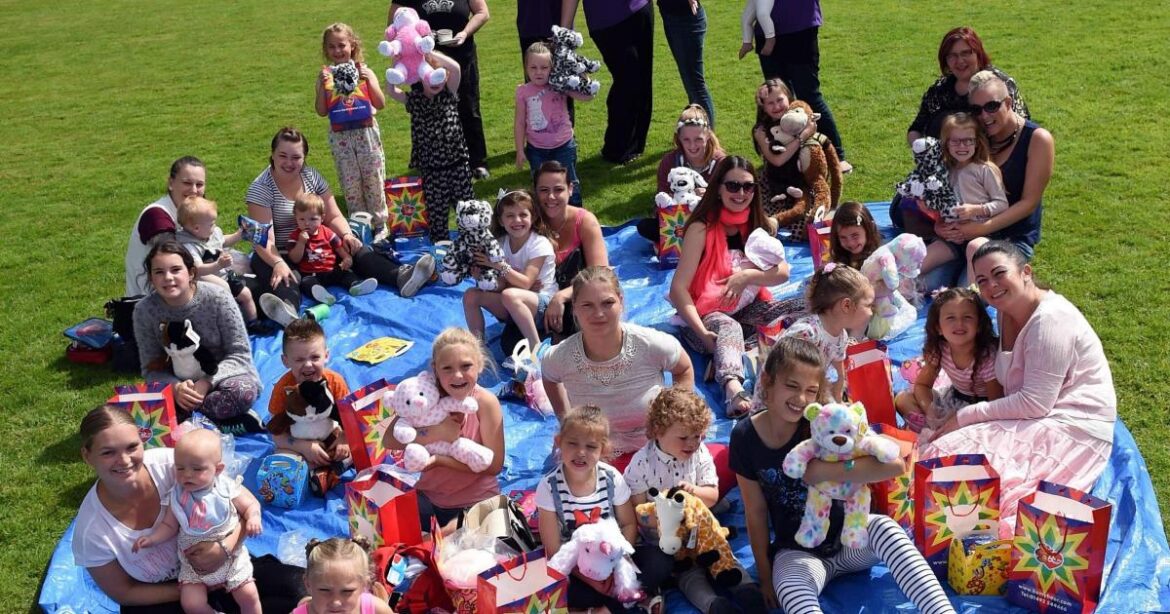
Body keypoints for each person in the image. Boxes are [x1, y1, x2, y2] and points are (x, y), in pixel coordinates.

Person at [731, 337, 956, 613]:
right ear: (767, 380)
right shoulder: (744, 437)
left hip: (851, 539)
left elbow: (895, 465)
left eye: (810, 391)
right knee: (792, 592)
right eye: (791, 386)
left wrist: (826, 471)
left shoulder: (824, 422)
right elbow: (755, 512)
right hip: (799, 551)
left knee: (887, 529)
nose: (800, 399)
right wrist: (765, 578)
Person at [922, 242, 1117, 538]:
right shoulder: (1005, 310)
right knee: (941, 460)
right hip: (1029, 413)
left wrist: (965, 417)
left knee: (985, 483)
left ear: (1026, 272)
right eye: (982, 280)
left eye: (1000, 274)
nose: (991, 286)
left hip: (1070, 426)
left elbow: (1035, 403)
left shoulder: (1051, 322)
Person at [73, 405, 303, 613]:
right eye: (108, 452)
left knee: (296, 588)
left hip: (224, 557)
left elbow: (243, 506)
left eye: (131, 447)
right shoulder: (91, 531)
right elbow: (124, 592)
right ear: (87, 456)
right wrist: (193, 587)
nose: (124, 460)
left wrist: (225, 548)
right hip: (166, 594)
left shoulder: (176, 465)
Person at [245, 127, 435, 326]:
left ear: (304, 158)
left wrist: (346, 235)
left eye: (296, 157)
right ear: (272, 155)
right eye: (283, 155)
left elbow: (333, 215)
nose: (289, 163)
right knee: (285, 277)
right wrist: (277, 263)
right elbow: (264, 239)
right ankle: (287, 310)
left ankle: (402, 277)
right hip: (281, 251)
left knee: (355, 249)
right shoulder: (261, 188)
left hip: (319, 245)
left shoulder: (311, 177)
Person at [668, 156, 804, 418]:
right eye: (732, 186)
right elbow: (678, 290)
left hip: (747, 308)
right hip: (706, 316)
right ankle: (732, 385)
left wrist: (747, 277)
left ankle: (741, 353)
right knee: (728, 327)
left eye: (748, 186)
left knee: (802, 306)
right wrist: (704, 335)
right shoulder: (701, 228)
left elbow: (783, 271)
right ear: (717, 187)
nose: (741, 193)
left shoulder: (756, 225)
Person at [625, 388, 763, 614]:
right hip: (668, 540)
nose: (692, 443)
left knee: (722, 552)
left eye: (697, 436)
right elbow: (639, 514)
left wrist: (694, 492)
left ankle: (745, 587)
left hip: (701, 528)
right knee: (688, 573)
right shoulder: (641, 464)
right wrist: (665, 513)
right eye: (683, 437)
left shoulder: (699, 454)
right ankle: (713, 604)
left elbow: (712, 495)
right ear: (658, 432)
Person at [543, 266, 695, 462]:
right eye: (587, 305)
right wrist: (567, 421)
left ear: (621, 302)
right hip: (594, 451)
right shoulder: (561, 356)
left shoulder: (650, 343)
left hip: (654, 447)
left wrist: (674, 418)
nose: (598, 313)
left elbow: (683, 368)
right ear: (575, 308)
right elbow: (548, 376)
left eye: (607, 303)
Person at [922, 70, 1053, 290]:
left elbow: (1028, 203)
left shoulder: (1037, 139)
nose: (984, 115)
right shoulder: (973, 137)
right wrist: (941, 223)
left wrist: (979, 229)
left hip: (1011, 237)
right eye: (976, 110)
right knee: (926, 284)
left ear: (1009, 102)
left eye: (992, 106)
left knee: (971, 293)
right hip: (961, 234)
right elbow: (948, 188)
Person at [133, 242, 263, 433]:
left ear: (191, 273)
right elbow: (151, 367)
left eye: (176, 269)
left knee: (243, 392)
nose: (168, 278)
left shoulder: (219, 298)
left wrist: (207, 382)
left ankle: (188, 421)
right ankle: (222, 424)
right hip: (179, 385)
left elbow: (240, 354)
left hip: (223, 378)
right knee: (140, 410)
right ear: (151, 279)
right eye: (159, 272)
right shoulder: (144, 311)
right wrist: (176, 388)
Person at [383, 328, 505, 530]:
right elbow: (389, 440)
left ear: (480, 365)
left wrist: (441, 461)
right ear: (435, 369)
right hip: (429, 499)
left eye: (466, 366)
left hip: (477, 503)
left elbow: (494, 466)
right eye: (447, 368)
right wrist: (437, 432)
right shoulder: (425, 396)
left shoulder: (486, 403)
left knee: (463, 555)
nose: (457, 375)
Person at [132, 429, 263, 614]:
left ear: (217, 469)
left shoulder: (225, 487)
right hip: (193, 562)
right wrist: (152, 539)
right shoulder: (176, 495)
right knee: (191, 604)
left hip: (231, 557)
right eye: (180, 468)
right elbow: (169, 525)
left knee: (249, 595)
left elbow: (250, 505)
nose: (187, 475)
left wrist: (254, 517)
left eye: (197, 469)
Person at [536, 405, 638, 612]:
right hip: (575, 566)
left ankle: (607, 607)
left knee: (657, 563)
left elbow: (628, 523)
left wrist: (614, 564)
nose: (580, 453)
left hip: (612, 558)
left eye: (591, 447)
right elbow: (554, 548)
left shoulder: (611, 478)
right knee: (561, 590)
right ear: (559, 443)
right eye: (572, 443)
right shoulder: (549, 487)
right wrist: (589, 577)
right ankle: (621, 604)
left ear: (604, 450)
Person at [500, 161, 608, 352]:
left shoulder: (584, 222)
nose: (551, 197)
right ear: (535, 192)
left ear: (570, 189)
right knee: (511, 346)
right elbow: (503, 259)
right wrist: (520, 284)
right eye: (543, 190)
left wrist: (561, 297)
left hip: (579, 297)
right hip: (536, 301)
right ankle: (544, 343)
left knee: (581, 343)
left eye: (558, 189)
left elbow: (600, 275)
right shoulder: (525, 220)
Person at [390, 0, 491, 179]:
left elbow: (482, 12)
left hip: (462, 55)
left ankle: (477, 162)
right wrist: (416, 48)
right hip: (423, 62)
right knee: (428, 114)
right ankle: (433, 165)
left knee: (468, 107)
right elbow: (394, 23)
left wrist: (464, 33)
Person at [749, 0, 852, 172]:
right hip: (766, 32)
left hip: (800, 26)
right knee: (776, 98)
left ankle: (837, 155)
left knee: (809, 95)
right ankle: (784, 156)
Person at [386, 50, 475, 244]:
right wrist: (399, 63)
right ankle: (441, 252)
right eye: (430, 76)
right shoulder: (415, 100)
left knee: (468, 214)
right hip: (432, 170)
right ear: (420, 77)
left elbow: (456, 68)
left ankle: (473, 248)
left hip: (458, 165)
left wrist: (425, 53)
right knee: (437, 218)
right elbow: (391, 90)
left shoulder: (449, 93)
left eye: (440, 76)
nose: (436, 81)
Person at [315, 23, 389, 237]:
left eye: (342, 45)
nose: (337, 51)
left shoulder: (364, 71)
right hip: (340, 136)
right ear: (326, 50)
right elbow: (321, 110)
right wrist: (322, 86)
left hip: (366, 133)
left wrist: (368, 80)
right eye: (332, 47)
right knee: (350, 181)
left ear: (352, 45)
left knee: (373, 178)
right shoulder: (325, 75)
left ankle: (380, 224)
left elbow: (381, 103)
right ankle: (359, 224)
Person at [895, 286, 1001, 434]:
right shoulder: (940, 349)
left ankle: (941, 433)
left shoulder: (987, 356)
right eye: (951, 317)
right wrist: (932, 412)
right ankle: (935, 428)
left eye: (967, 317)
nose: (959, 323)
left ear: (979, 325)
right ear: (938, 327)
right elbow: (922, 385)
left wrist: (959, 419)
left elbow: (996, 406)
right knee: (902, 399)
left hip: (979, 410)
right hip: (953, 399)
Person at [561, 0, 654, 165]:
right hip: (606, 20)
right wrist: (564, 31)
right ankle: (616, 148)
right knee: (628, 80)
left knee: (642, 78)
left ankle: (635, 146)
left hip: (640, 8)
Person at [462, 190, 556, 353]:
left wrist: (498, 265)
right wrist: (482, 278)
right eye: (510, 215)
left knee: (510, 295)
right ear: (500, 220)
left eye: (523, 215)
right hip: (513, 303)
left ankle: (537, 350)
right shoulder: (499, 244)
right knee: (471, 294)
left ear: (532, 217)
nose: (517, 220)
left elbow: (526, 283)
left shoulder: (539, 244)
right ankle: (478, 349)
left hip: (544, 305)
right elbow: (501, 286)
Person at [906, 26, 1029, 146]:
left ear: (978, 54)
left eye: (966, 53)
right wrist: (924, 152)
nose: (960, 61)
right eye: (952, 55)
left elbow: (1021, 130)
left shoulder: (1000, 85)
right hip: (942, 162)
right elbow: (916, 129)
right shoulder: (939, 89)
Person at [919, 112, 1007, 277]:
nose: (962, 146)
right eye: (956, 141)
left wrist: (976, 209)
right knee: (920, 263)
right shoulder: (943, 172)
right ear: (946, 143)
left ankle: (972, 294)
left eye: (968, 140)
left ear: (976, 142)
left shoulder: (985, 169)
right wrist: (936, 222)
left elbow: (1002, 204)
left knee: (974, 249)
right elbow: (941, 207)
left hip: (983, 235)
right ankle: (897, 290)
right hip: (953, 237)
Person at [514, 42, 594, 205]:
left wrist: (581, 71)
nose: (538, 72)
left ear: (552, 68)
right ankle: (544, 221)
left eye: (544, 67)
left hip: (563, 146)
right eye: (533, 67)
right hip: (536, 149)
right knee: (541, 186)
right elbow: (520, 122)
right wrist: (520, 150)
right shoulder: (523, 91)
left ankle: (576, 217)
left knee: (569, 183)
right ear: (526, 68)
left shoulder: (560, 85)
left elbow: (588, 96)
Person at [780, 263, 873, 401]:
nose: (871, 312)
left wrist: (839, 391)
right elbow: (781, 376)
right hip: (783, 397)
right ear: (846, 305)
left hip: (808, 390)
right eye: (868, 305)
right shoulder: (807, 333)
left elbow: (839, 367)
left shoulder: (841, 335)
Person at [267, 317, 352, 468]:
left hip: (331, 434)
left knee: (355, 447)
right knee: (282, 458)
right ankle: (316, 474)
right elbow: (277, 434)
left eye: (315, 357)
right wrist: (303, 446)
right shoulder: (283, 389)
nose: (308, 365)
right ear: (285, 361)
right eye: (299, 359)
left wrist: (345, 438)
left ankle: (328, 473)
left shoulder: (335, 382)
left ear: (326, 356)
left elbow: (351, 419)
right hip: (298, 439)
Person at [635, 104, 726, 242]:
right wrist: (669, 202)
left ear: (708, 136)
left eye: (698, 139)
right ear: (679, 138)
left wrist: (710, 196)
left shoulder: (721, 163)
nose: (692, 146)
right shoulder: (669, 162)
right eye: (686, 140)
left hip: (710, 222)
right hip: (677, 223)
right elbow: (660, 201)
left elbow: (731, 201)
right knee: (644, 226)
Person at [125, 156, 206, 297]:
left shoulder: (192, 212)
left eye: (199, 185)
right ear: (171, 183)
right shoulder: (156, 216)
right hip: (151, 302)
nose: (194, 190)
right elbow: (172, 261)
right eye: (187, 183)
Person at [174, 196, 258, 327]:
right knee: (225, 292)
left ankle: (254, 323)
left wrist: (239, 235)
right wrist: (218, 264)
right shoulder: (190, 246)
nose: (215, 226)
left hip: (224, 273)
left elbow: (223, 241)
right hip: (204, 280)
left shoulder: (209, 233)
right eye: (211, 224)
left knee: (246, 293)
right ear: (196, 228)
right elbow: (198, 269)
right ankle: (232, 324)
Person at [287, 193, 378, 305]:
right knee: (306, 283)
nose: (307, 223)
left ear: (322, 218)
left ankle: (356, 286)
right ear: (295, 218)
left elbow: (338, 247)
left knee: (346, 273)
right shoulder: (295, 236)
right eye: (302, 219)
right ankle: (322, 295)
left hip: (331, 270)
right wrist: (301, 243)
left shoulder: (327, 232)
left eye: (313, 219)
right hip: (311, 273)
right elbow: (294, 259)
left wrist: (346, 258)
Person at [752, 79, 819, 222]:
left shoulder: (800, 118)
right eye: (770, 103)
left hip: (803, 178)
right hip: (775, 182)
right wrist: (803, 136)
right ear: (763, 107)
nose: (776, 106)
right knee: (770, 220)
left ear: (788, 98)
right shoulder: (761, 130)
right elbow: (777, 160)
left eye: (779, 100)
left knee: (808, 219)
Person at [295, 538, 393, 614]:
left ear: (364, 585)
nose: (335, 602)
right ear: (308, 584)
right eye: (324, 590)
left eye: (347, 591)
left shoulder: (376, 609)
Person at [658, 0, 715, 127]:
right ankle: (698, 136)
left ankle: (708, 139)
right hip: (672, 17)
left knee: (696, 86)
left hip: (685, 20)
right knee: (691, 86)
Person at [827, 201, 880, 269]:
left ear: (869, 229)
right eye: (843, 237)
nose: (850, 243)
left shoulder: (879, 258)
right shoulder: (838, 258)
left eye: (855, 235)